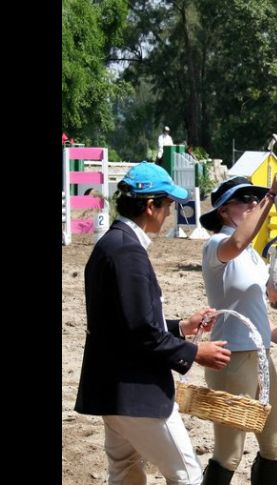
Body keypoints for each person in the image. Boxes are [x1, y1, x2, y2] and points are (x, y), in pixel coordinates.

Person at [75, 161, 233, 485]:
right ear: (151, 206)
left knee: (124, 474)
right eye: (168, 205)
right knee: (187, 475)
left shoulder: (112, 244)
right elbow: (140, 331)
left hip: (112, 390)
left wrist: (181, 327)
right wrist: (194, 352)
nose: (169, 213)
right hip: (137, 391)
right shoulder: (127, 252)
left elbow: (127, 323)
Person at [199, 174, 277, 485]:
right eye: (244, 198)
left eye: (255, 198)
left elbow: (257, 314)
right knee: (229, 454)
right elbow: (237, 241)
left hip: (261, 358)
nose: (252, 202)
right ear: (224, 210)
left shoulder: (252, 256)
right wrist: (270, 195)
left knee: (275, 444)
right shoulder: (216, 246)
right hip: (230, 360)